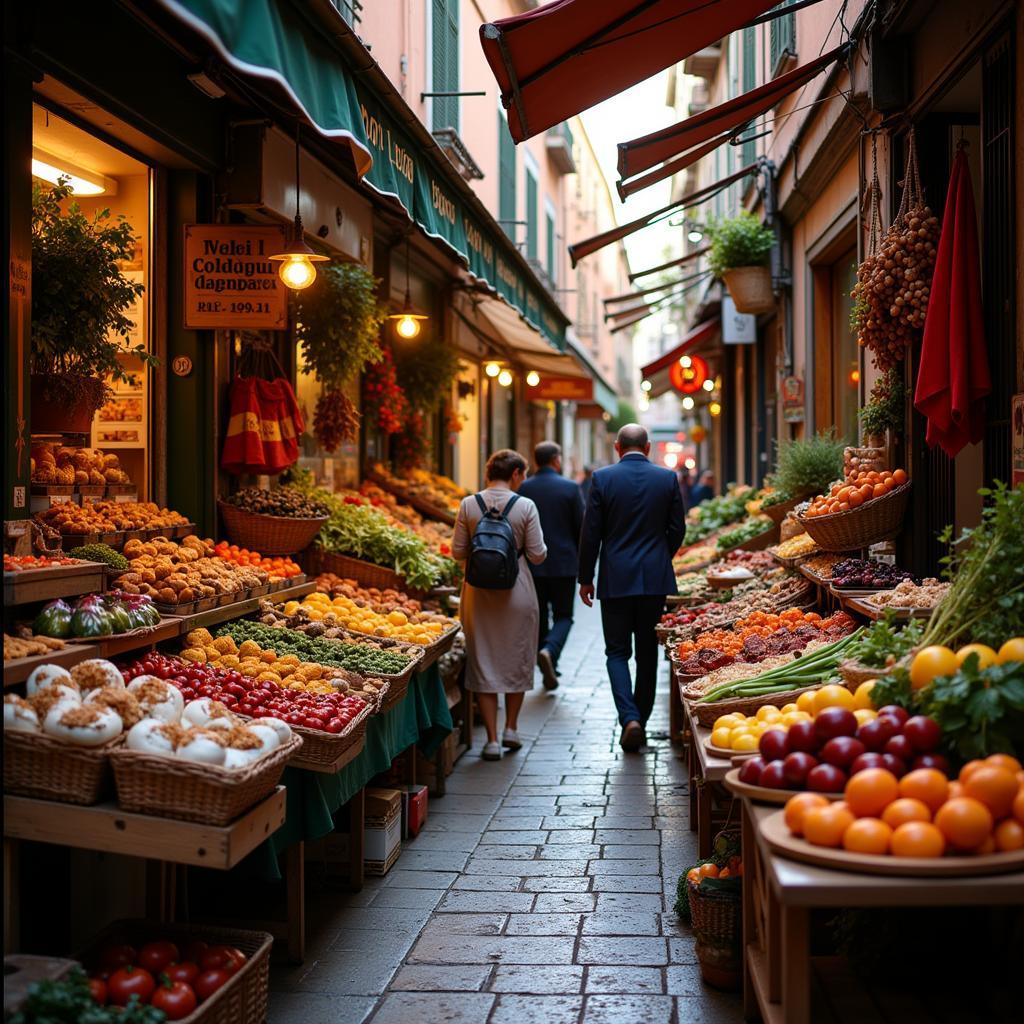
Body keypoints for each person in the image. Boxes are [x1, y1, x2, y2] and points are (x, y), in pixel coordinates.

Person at [578, 424, 686, 751]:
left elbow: (591, 532)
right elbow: (677, 529)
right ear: (649, 447)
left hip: (616, 578)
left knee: (616, 652)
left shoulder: (602, 479)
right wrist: (659, 555)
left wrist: (585, 577)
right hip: (654, 580)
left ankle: (630, 719)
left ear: (617, 447)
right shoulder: (667, 479)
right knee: (647, 653)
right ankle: (641, 715)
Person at [452, 449, 547, 760]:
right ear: (516, 474)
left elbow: (457, 552)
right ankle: (511, 730)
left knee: (484, 660)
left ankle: (491, 740)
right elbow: (537, 554)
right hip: (516, 591)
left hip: (478, 593)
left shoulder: (469, 503)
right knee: (517, 656)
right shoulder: (526, 505)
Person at [518, 440, 585, 690]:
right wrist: (584, 564)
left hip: (532, 565)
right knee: (564, 615)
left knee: (539, 616)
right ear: (556, 460)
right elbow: (581, 528)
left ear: (535, 461)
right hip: (564, 564)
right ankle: (550, 650)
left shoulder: (523, 487)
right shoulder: (569, 488)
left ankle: (547, 659)